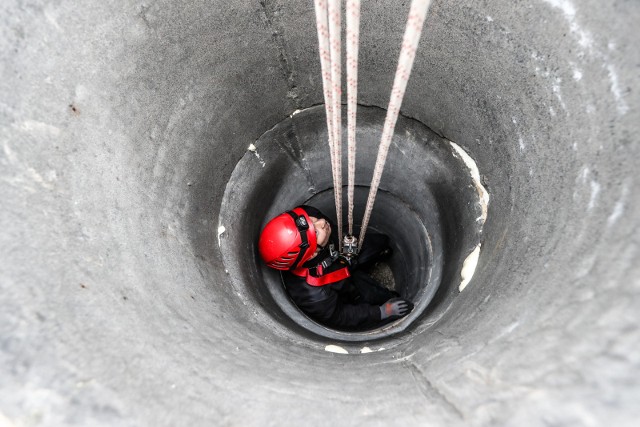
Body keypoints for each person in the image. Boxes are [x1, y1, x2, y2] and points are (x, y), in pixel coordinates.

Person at [258, 205, 413, 330]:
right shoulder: (314, 295)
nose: (321, 222)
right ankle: (385, 296)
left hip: (341, 253)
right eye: (317, 231)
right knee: (377, 294)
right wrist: (381, 312)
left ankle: (381, 252)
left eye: (312, 221)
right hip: (345, 283)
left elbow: (317, 224)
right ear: (311, 255)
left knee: (379, 242)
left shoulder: (305, 218)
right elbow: (341, 316)